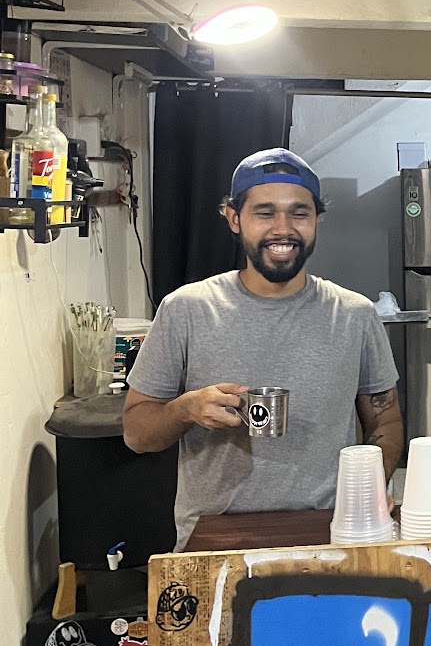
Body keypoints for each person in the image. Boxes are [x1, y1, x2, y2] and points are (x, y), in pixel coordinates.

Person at [124, 148, 404, 548]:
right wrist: (186, 409)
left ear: (318, 219)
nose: (282, 229)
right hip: (216, 537)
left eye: (299, 213)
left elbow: (385, 423)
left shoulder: (354, 314)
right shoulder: (186, 309)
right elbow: (137, 434)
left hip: (328, 532)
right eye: (265, 212)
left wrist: (372, 489)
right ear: (234, 218)